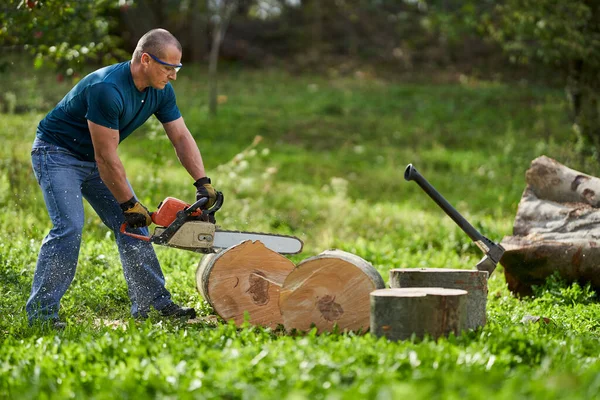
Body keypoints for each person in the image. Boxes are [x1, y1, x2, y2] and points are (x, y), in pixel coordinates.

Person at [27, 28, 216, 328]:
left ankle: (152, 303)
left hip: (95, 160)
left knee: (134, 224)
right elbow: (106, 157)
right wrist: (128, 202)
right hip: (57, 154)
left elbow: (180, 136)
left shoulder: (161, 91)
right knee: (69, 227)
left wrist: (202, 181)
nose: (173, 76)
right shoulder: (107, 89)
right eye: (168, 68)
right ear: (145, 60)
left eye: (176, 68)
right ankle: (41, 315)